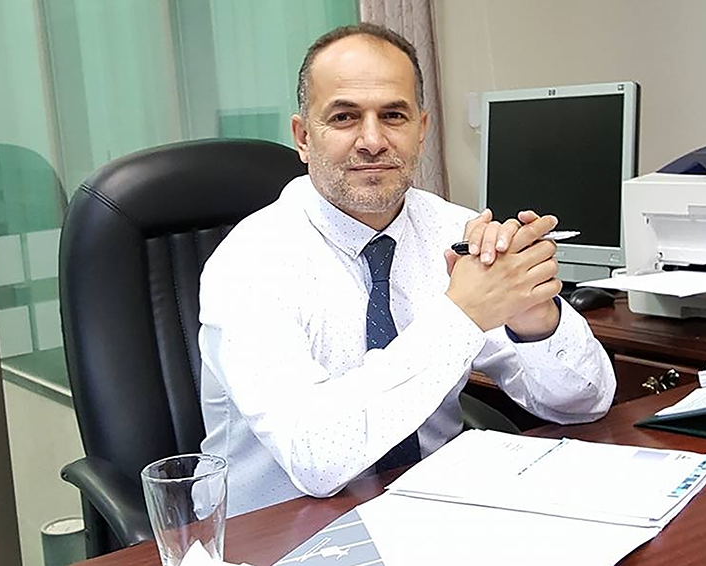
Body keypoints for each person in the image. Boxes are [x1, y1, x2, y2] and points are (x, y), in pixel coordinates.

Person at [199, 23, 616, 517]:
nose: (372, 140)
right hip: (278, 531)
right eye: (345, 117)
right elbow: (316, 459)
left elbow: (585, 403)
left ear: (421, 130)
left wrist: (536, 319)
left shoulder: (454, 230)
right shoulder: (250, 261)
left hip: (434, 514)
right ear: (303, 137)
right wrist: (462, 315)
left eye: (393, 115)